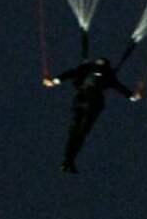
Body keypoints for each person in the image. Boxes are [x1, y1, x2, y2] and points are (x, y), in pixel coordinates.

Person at [43, 34, 141, 173]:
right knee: (80, 133)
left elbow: (69, 74)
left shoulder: (86, 69)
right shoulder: (108, 74)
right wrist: (133, 96)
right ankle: (68, 161)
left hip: (81, 100)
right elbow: (120, 88)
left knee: (74, 132)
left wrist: (53, 81)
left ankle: (68, 160)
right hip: (93, 103)